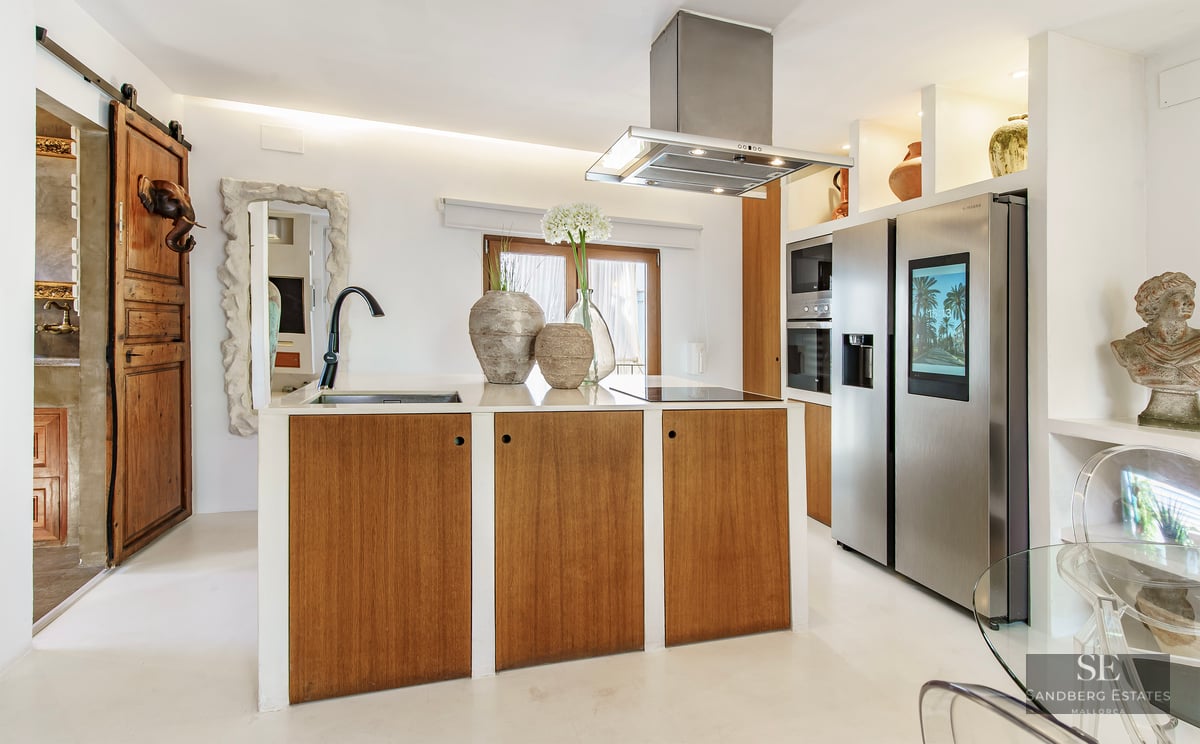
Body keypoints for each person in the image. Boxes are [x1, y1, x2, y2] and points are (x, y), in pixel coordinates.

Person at [1111, 271, 1200, 390]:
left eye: (1191, 297)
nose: (1190, 303)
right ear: (1154, 304)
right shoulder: (1128, 346)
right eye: (1179, 296)